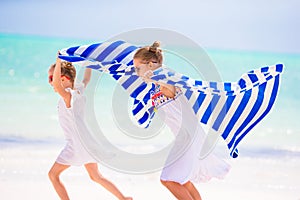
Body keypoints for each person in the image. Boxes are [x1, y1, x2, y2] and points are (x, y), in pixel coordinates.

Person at [133, 42, 230, 200]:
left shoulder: (166, 81)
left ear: (150, 64)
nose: (136, 72)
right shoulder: (155, 86)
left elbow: (165, 83)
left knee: (168, 180)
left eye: (137, 68)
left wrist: (152, 76)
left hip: (188, 138)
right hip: (184, 138)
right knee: (183, 181)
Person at [47, 55, 132, 200]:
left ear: (64, 79)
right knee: (96, 176)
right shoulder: (78, 90)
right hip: (86, 142)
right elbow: (86, 79)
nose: (50, 82)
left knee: (53, 175)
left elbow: (57, 85)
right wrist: (88, 62)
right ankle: (123, 198)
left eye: (51, 78)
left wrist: (58, 61)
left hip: (75, 145)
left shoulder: (68, 96)